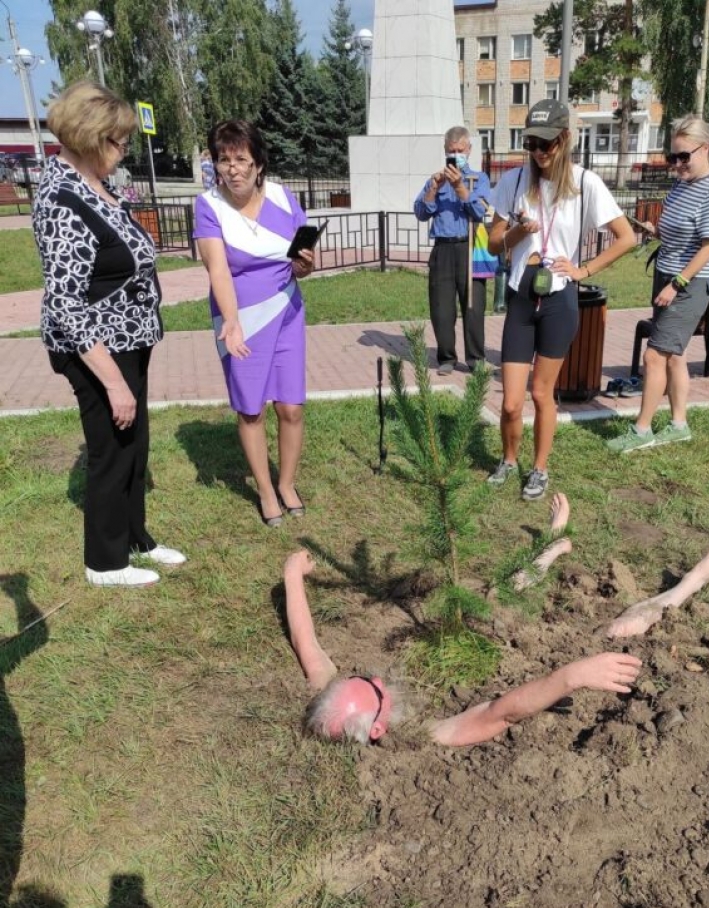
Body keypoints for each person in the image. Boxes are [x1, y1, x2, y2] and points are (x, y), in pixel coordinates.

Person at [32, 80, 186, 588]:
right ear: (92, 138)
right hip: (95, 348)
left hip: (129, 338)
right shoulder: (60, 198)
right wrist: (114, 384)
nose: (123, 151)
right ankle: (104, 562)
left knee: (134, 445)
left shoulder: (99, 185)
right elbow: (66, 305)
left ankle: (135, 537)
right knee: (111, 449)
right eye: (118, 142)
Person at [284, 546, 641, 748]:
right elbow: (500, 713)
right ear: (377, 730)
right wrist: (572, 676)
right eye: (376, 690)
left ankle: (550, 550)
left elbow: (307, 641)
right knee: (498, 597)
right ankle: (549, 552)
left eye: (361, 678)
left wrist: (291, 573)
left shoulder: (332, 707)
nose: (378, 680)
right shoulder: (426, 736)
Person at [486, 100, 635, 502]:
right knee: (512, 401)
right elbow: (494, 242)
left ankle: (539, 469)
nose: (538, 150)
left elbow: (627, 238)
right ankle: (509, 459)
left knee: (541, 394)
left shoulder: (586, 184)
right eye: (531, 141)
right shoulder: (514, 182)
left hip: (559, 299)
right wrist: (519, 231)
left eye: (547, 142)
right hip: (521, 295)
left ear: (565, 139)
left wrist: (584, 270)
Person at [193, 120, 315, 526]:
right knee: (251, 410)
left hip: (287, 313)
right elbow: (218, 270)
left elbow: (302, 264)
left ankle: (286, 483)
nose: (233, 168)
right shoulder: (208, 205)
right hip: (239, 321)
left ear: (258, 163)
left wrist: (305, 265)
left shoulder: (283, 197)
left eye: (242, 159)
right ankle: (265, 490)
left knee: (291, 406)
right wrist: (231, 320)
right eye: (223, 160)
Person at [606, 115, 709, 455]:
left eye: (683, 157)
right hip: (669, 275)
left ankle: (642, 429)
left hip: (688, 284)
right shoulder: (682, 184)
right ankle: (679, 425)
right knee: (675, 356)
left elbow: (708, 247)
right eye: (672, 158)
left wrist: (676, 284)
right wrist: (653, 229)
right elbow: (678, 231)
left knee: (655, 355)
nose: (677, 165)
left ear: (705, 149)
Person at [413, 126, 492, 375]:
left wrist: (460, 188)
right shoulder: (435, 180)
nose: (456, 155)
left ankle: (476, 358)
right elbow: (421, 212)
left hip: (469, 247)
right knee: (441, 307)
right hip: (443, 249)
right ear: (445, 151)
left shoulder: (479, 179)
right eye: (451, 151)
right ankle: (446, 357)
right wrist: (434, 189)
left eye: (460, 150)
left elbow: (480, 211)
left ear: (469, 150)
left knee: (473, 305)